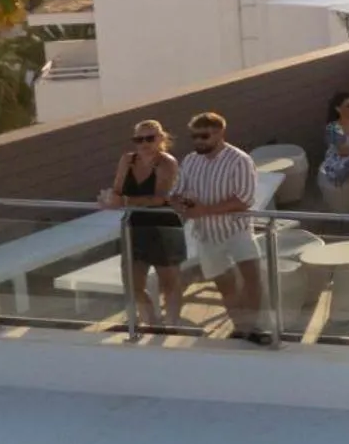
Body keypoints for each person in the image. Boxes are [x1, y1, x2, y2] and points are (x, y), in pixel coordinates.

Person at [170, 111, 270, 344]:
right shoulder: (190, 160)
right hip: (206, 234)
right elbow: (175, 193)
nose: (198, 141)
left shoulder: (239, 160)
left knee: (252, 279)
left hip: (237, 231)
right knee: (225, 285)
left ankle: (253, 327)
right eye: (194, 136)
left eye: (204, 136)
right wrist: (181, 205)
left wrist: (204, 210)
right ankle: (240, 327)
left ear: (220, 133)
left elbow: (243, 199)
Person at [101, 118, 184, 326]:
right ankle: (152, 323)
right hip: (135, 224)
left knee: (169, 282)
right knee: (132, 283)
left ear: (160, 138)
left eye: (149, 138)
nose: (144, 143)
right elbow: (118, 190)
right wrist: (109, 199)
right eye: (139, 139)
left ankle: (172, 325)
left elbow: (160, 198)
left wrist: (123, 201)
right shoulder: (127, 160)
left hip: (163, 224)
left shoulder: (166, 162)